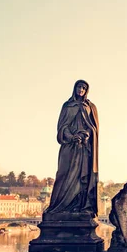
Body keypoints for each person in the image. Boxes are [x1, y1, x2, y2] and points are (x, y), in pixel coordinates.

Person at [47, 80, 99, 215]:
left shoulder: (90, 107)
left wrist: (86, 134)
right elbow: (61, 127)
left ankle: (80, 206)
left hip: (83, 147)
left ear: (86, 91)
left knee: (82, 178)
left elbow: (93, 128)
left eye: (84, 88)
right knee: (63, 174)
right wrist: (70, 137)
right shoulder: (67, 106)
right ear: (75, 88)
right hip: (69, 146)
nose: (81, 89)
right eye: (79, 87)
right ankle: (57, 206)